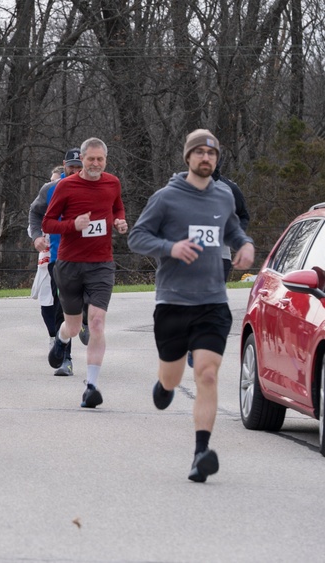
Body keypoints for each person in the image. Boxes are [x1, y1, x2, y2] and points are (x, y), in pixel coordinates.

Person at [128, 129, 255, 482]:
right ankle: (165, 385)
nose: (206, 158)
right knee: (171, 376)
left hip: (212, 302)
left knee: (207, 374)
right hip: (173, 302)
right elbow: (137, 237)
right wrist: (171, 248)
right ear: (188, 157)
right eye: (199, 152)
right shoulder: (166, 198)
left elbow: (232, 229)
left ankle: (201, 453)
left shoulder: (224, 195)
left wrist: (244, 244)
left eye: (211, 153)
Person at [42, 138, 127, 408]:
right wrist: (73, 225)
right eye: (91, 159)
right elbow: (48, 223)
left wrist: (119, 220)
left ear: (106, 160)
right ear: (82, 159)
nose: (95, 164)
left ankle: (91, 386)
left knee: (97, 323)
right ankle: (61, 339)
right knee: (73, 325)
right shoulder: (66, 186)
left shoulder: (112, 183)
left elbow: (117, 206)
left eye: (100, 159)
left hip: (101, 263)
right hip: (70, 264)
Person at [28, 149, 87, 377]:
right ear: (64, 165)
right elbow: (35, 213)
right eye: (71, 166)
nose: (75, 170)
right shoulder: (50, 189)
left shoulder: (98, 186)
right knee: (61, 307)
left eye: (79, 166)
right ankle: (66, 359)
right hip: (59, 257)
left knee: (88, 298)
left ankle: (85, 319)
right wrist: (37, 237)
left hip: (90, 256)